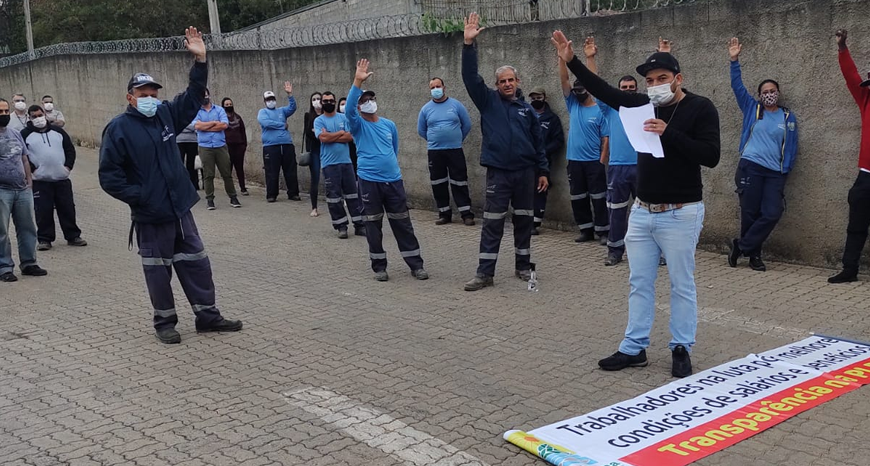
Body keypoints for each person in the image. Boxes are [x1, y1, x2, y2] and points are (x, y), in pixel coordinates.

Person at [552, 31, 720, 377]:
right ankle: (634, 347)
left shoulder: (700, 108)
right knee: (639, 281)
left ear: (678, 79)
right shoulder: (643, 104)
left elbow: (711, 156)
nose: (655, 84)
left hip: (681, 211)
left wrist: (667, 132)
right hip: (643, 211)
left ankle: (680, 347)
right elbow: (604, 91)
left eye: (662, 79)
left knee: (681, 282)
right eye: (650, 80)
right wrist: (572, 62)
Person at [98, 27, 243, 344]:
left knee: (197, 264)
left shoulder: (165, 115)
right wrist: (141, 197)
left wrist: (201, 61)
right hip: (151, 216)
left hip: (180, 210)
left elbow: (192, 97)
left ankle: (208, 316)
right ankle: (165, 323)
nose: (150, 98)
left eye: (153, 93)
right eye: (143, 94)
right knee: (157, 271)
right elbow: (109, 176)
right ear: (130, 97)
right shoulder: (118, 129)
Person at [461, 13, 549, 292]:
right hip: (499, 173)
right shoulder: (487, 102)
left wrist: (543, 170)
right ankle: (485, 273)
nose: (507, 84)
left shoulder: (527, 110)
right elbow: (469, 77)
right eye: (503, 81)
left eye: (511, 80)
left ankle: (523, 266)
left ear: (518, 81)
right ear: (496, 84)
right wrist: (468, 45)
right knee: (493, 223)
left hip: (526, 174)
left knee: (524, 220)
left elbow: (539, 142)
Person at [347, 59, 428, 282]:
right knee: (373, 224)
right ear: (359, 106)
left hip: (393, 181)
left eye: (371, 98)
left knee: (402, 222)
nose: (370, 102)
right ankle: (379, 266)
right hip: (368, 181)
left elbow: (393, 149)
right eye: (364, 100)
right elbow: (349, 111)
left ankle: (416, 264)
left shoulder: (389, 125)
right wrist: (357, 81)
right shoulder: (357, 124)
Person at [727, 37, 798, 272]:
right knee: (750, 213)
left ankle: (742, 246)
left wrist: (785, 169)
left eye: (773, 91)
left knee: (772, 213)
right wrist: (734, 60)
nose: (769, 94)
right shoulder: (751, 109)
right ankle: (754, 256)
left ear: (778, 93)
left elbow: (792, 146)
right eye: (765, 91)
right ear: (759, 95)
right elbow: (737, 86)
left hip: (775, 173)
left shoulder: (788, 118)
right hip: (751, 167)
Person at [584, 36, 640, 266]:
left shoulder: (645, 107)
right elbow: (595, 84)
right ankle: (615, 251)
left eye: (631, 88)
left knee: (648, 214)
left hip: (642, 167)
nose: (627, 91)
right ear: (618, 91)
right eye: (624, 88)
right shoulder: (609, 110)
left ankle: (654, 253)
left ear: (637, 90)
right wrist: (590, 58)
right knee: (616, 212)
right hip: (617, 168)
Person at [830, 29, 870, 283]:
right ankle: (850, 269)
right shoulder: (866, 99)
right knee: (856, 225)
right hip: (866, 176)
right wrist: (842, 48)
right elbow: (851, 76)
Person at [560, 47, 609, 244]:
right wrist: (561, 59)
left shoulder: (599, 110)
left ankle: (603, 231)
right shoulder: (572, 105)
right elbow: (563, 81)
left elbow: (606, 138)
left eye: (582, 89)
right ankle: (585, 230)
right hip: (574, 161)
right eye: (576, 90)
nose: (579, 93)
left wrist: (602, 159)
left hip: (593, 162)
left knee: (598, 198)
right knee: (578, 198)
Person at [20, 105, 86, 251]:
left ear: (44, 114)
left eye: (40, 115)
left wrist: (67, 167)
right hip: (40, 181)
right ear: (29, 118)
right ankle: (45, 239)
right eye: (34, 116)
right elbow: (21, 155)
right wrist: (33, 169)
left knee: (67, 208)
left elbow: (70, 149)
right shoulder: (24, 134)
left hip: (61, 179)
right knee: (43, 211)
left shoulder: (58, 131)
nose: (38, 118)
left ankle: (73, 236)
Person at [417, 77, 476, 226]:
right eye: (432, 87)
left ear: (444, 87)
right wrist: (435, 140)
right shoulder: (425, 109)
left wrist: (456, 139)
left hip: (455, 150)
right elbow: (421, 130)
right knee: (438, 183)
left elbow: (467, 125)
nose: (435, 89)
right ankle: (444, 214)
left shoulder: (456, 105)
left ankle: (466, 214)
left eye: (438, 86)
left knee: (459, 182)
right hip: (435, 152)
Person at [0, 98, 47, 282]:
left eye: (5, 111)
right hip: (2, 191)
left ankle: (29, 263)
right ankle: (4, 266)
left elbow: (25, 159)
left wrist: (29, 182)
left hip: (22, 190)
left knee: (27, 227)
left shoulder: (15, 133)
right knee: (2, 231)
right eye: (0, 112)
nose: (3, 115)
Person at [315, 91, 364, 238]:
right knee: (334, 197)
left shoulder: (344, 118)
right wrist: (339, 133)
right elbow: (322, 138)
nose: (328, 103)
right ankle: (341, 226)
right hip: (329, 164)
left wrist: (331, 135)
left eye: (331, 100)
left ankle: (359, 225)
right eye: (325, 101)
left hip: (346, 163)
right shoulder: (319, 121)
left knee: (353, 195)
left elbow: (350, 137)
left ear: (335, 102)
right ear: (322, 103)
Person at [527, 87, 565, 235]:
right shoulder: (526, 115)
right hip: (525, 160)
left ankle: (535, 223)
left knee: (540, 191)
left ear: (545, 98)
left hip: (543, 162)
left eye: (539, 97)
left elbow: (558, 141)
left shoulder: (552, 119)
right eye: (533, 98)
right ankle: (525, 221)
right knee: (525, 192)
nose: (536, 101)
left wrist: (543, 151)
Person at [194, 88, 240, 210]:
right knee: (208, 175)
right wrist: (214, 123)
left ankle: (233, 197)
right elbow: (197, 126)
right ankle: (210, 199)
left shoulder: (219, 109)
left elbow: (224, 125)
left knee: (226, 173)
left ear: (209, 95)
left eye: (205, 95)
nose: (204, 97)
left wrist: (205, 127)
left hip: (220, 146)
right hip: (205, 147)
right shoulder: (197, 111)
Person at [258, 85, 301, 203]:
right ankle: (271, 194)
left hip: (286, 144)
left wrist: (290, 95)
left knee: (291, 170)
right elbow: (265, 123)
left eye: (272, 98)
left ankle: (293, 193)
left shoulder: (281, 111)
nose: (270, 101)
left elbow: (293, 108)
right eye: (268, 99)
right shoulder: (263, 112)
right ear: (264, 101)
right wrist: (282, 125)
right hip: (271, 147)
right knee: (272, 171)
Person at [221, 97, 248, 196]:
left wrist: (244, 145)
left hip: (239, 146)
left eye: (230, 104)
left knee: (239, 168)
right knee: (228, 169)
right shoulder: (222, 119)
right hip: (227, 147)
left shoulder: (238, 117)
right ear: (223, 106)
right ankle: (230, 189)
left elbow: (243, 131)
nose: (229, 106)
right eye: (226, 105)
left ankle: (243, 188)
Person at [303, 93, 324, 217]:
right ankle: (314, 207)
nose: (316, 101)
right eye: (314, 99)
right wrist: (321, 134)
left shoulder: (328, 115)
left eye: (318, 99)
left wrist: (319, 132)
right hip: (315, 150)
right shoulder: (308, 116)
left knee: (332, 176)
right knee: (315, 177)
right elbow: (308, 133)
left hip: (328, 149)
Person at [176, 121, 200, 190]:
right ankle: (180, 184)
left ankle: (194, 184)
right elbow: (177, 126)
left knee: (192, 164)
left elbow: (196, 127)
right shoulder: (179, 114)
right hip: (179, 141)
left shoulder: (194, 114)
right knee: (180, 164)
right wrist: (191, 127)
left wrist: (184, 127)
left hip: (192, 141)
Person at [338, 96, 358, 174]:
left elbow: (350, 135)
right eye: (342, 104)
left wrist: (332, 136)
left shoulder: (354, 119)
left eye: (346, 104)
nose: (344, 107)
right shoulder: (336, 119)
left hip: (353, 149)